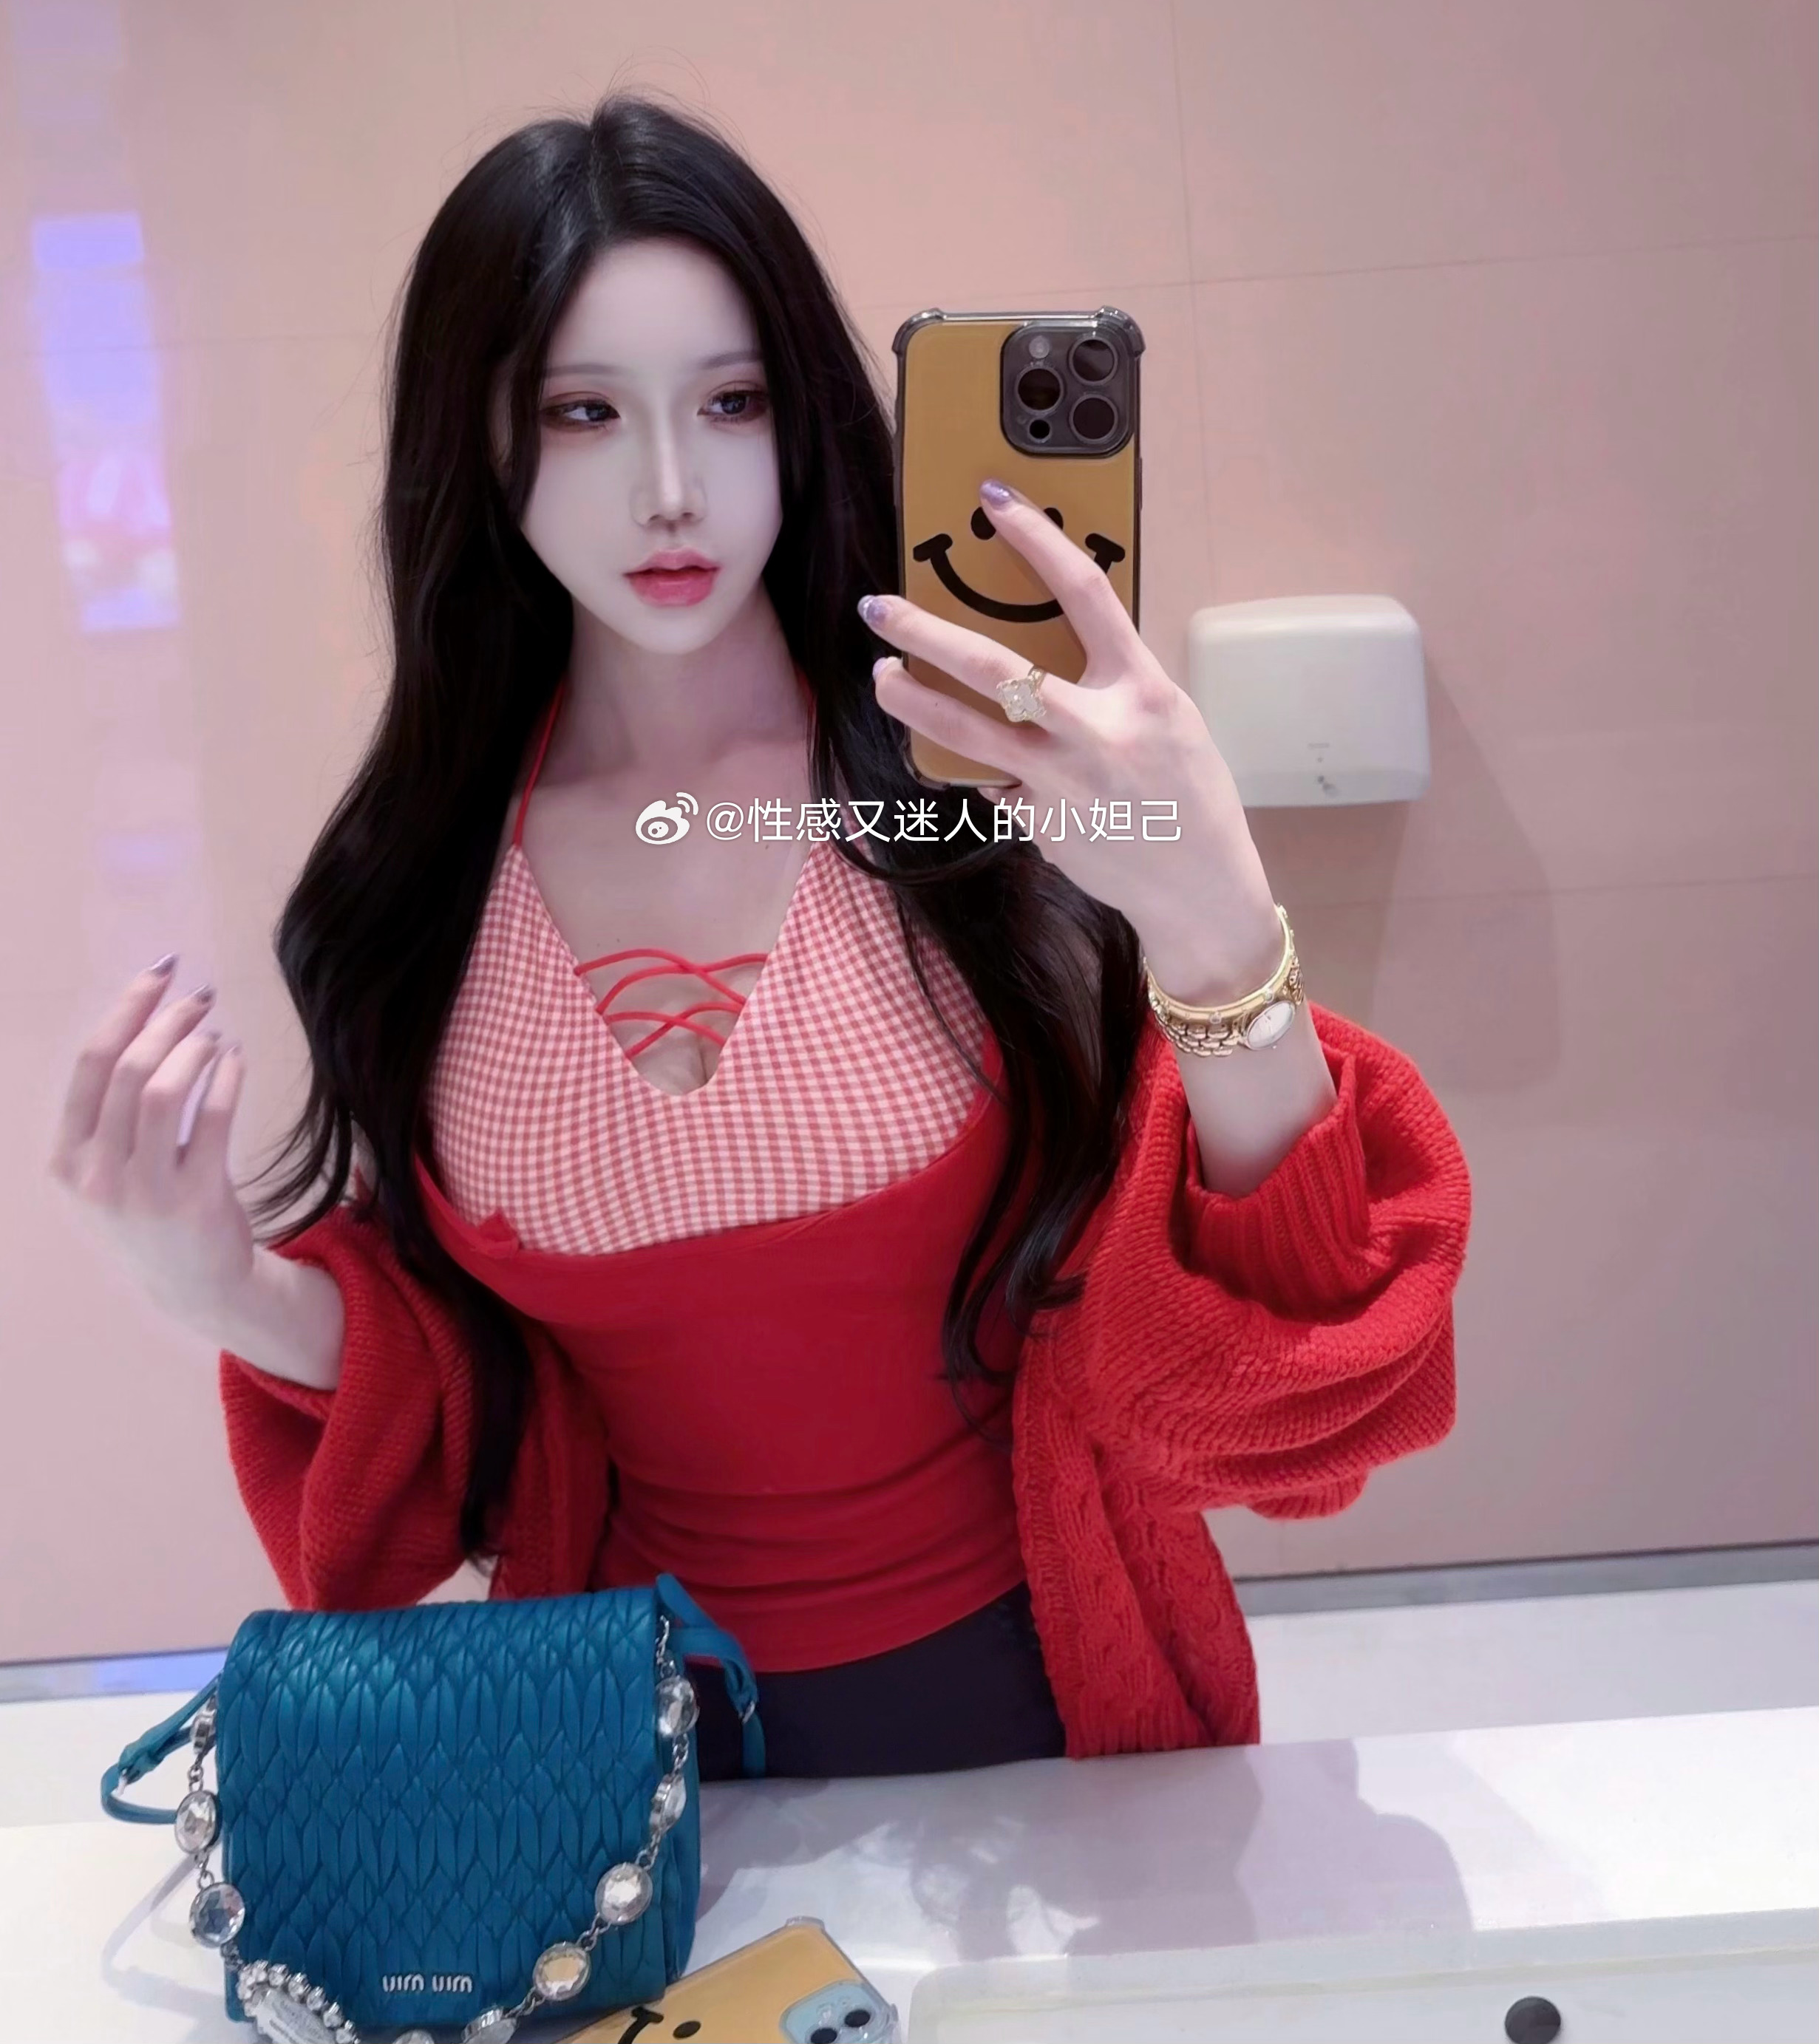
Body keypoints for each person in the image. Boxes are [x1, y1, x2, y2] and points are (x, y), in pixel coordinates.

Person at [48, 94, 1470, 1779]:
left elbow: (1297, 1396)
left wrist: (1221, 936)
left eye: (731, 402)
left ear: (805, 419)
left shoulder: (968, 817)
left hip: (1067, 1735)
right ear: (477, 441)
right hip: (630, 1782)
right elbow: (464, 1416)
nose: (671, 490)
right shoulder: (419, 891)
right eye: (583, 411)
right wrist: (219, 1285)